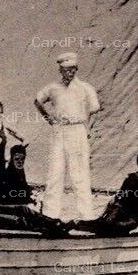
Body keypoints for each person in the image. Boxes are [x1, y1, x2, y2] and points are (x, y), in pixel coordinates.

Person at [34, 52, 100, 221]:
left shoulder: (85, 88)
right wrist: (49, 119)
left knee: (79, 174)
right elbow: (38, 101)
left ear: (76, 69)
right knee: (55, 173)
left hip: (77, 130)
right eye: (65, 69)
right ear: (60, 70)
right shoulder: (53, 88)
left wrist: (87, 130)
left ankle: (86, 217)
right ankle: (50, 215)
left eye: (72, 69)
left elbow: (94, 110)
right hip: (59, 131)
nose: (69, 72)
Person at [72, 151, 138, 237]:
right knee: (102, 224)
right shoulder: (131, 180)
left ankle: (76, 225)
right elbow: (115, 199)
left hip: (133, 219)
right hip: (122, 214)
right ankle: (74, 224)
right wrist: (105, 215)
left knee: (106, 227)